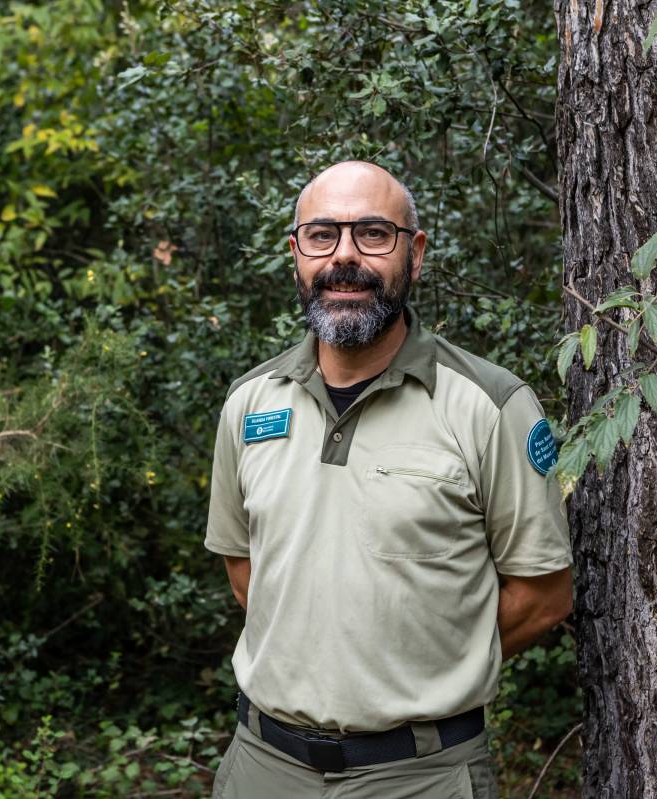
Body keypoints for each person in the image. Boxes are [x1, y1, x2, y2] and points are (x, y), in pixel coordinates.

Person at [203, 161, 574, 797]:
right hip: (262, 767)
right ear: (296, 253)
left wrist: (429, 668)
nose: (344, 257)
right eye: (322, 236)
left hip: (422, 775)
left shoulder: (489, 405)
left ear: (416, 252)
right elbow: (246, 573)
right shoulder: (251, 404)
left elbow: (543, 593)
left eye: (373, 234)